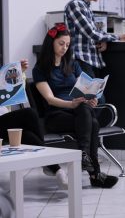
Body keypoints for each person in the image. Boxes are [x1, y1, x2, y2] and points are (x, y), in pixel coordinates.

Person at [32, 24, 119, 188]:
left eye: (67, 44)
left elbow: (86, 87)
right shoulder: (40, 69)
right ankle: (94, 173)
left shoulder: (72, 64)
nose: (64, 48)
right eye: (61, 44)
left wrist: (91, 98)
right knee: (90, 120)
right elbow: (50, 99)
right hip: (56, 115)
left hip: (78, 113)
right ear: (51, 43)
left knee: (89, 115)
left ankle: (86, 159)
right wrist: (72, 104)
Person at [0, 60, 68, 190]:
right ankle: (48, 163)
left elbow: (11, 88)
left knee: (28, 135)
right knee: (29, 113)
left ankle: (55, 168)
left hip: (4, 120)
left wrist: (19, 72)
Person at [64, 0, 125, 80]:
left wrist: (104, 40)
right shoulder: (75, 5)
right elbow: (91, 33)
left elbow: (96, 32)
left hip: (90, 59)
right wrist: (119, 37)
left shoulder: (87, 7)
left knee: (95, 96)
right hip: (81, 59)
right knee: (93, 96)